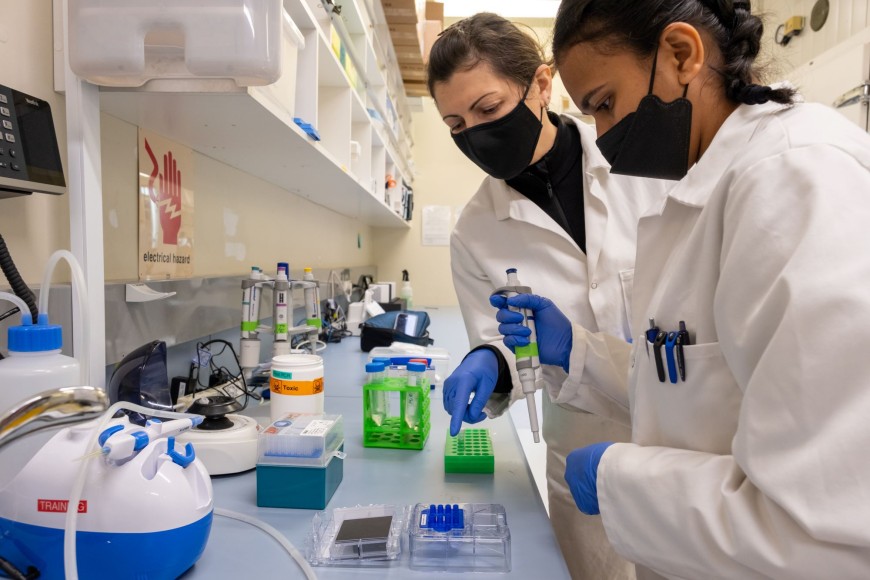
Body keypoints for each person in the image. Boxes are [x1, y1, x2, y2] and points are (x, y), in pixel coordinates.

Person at [494, 1, 870, 578]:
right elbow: (694, 380)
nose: (601, 134)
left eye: (603, 103)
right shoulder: (710, 183)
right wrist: (579, 351)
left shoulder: (795, 180)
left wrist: (624, 482)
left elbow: (819, 531)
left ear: (681, 54)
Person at [428, 13, 671, 579]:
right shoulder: (475, 232)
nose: (476, 133)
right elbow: (503, 342)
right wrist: (490, 359)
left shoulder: (643, 165)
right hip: (581, 440)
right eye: (455, 124)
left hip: (685, 438)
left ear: (540, 84)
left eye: (488, 110)